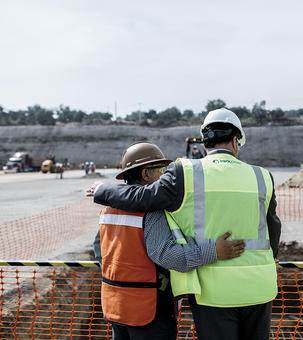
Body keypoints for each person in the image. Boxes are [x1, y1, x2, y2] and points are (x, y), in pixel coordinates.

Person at [93, 108, 281, 340]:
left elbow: (143, 200)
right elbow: (273, 226)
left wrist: (103, 190)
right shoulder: (262, 176)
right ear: (235, 140)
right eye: (159, 169)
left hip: (209, 293)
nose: (163, 173)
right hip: (259, 288)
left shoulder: (185, 173)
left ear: (204, 143)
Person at [91, 142, 246, 340]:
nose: (166, 176)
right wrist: (214, 251)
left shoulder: (108, 209)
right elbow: (167, 256)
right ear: (146, 174)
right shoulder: (152, 211)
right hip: (148, 311)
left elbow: (100, 249)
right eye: (162, 170)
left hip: (115, 306)